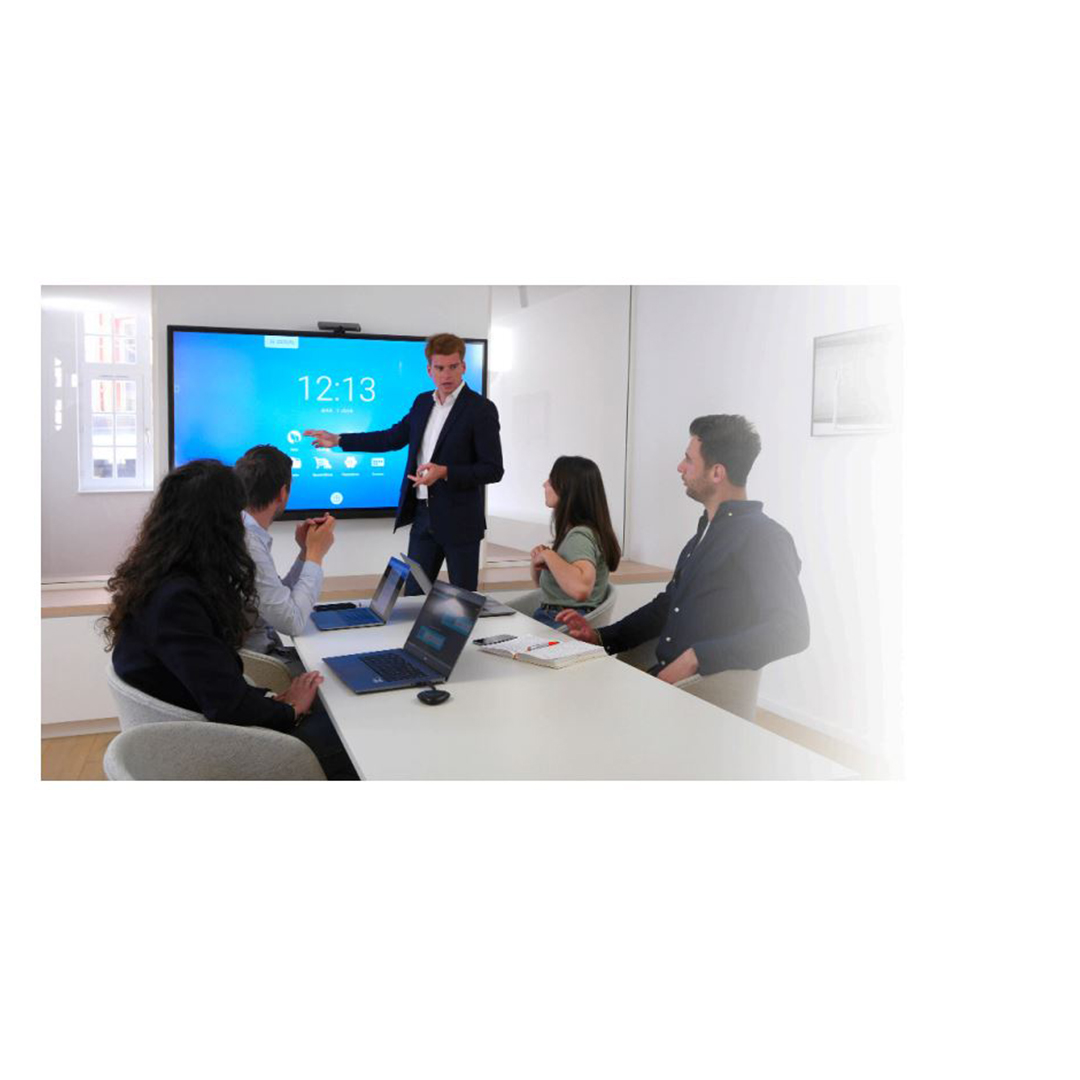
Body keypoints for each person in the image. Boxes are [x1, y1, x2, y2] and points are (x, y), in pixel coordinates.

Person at [104, 459, 357, 779]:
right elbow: (227, 705)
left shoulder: (162, 581)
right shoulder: (178, 602)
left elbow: (216, 684)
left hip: (196, 729)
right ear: (222, 524)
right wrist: (289, 710)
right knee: (350, 732)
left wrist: (272, 701)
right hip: (214, 748)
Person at [557, 415, 809, 684]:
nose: (680, 467)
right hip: (663, 680)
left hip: (694, 692)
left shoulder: (764, 537)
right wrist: (600, 637)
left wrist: (696, 658)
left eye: (689, 459)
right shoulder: (706, 533)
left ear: (717, 473)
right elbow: (668, 606)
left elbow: (791, 630)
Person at [303, 332, 503, 593]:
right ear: (429, 370)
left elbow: (493, 469)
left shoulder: (481, 409)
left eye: (453, 367)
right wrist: (340, 440)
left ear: (463, 366)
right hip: (423, 517)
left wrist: (445, 472)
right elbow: (391, 438)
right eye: (440, 368)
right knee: (412, 598)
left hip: (461, 522)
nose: (447, 375)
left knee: (462, 601)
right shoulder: (422, 403)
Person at [234, 444, 336, 659]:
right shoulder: (249, 543)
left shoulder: (243, 530)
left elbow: (278, 602)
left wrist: (305, 553)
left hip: (259, 653)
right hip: (257, 664)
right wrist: (316, 555)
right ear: (282, 493)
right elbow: (292, 622)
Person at [529, 455, 621, 624]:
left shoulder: (579, 537)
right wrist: (542, 562)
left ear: (566, 488)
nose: (544, 484)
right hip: (555, 618)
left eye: (551, 480)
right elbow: (546, 589)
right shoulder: (581, 533)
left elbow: (581, 589)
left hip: (558, 623)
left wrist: (549, 556)